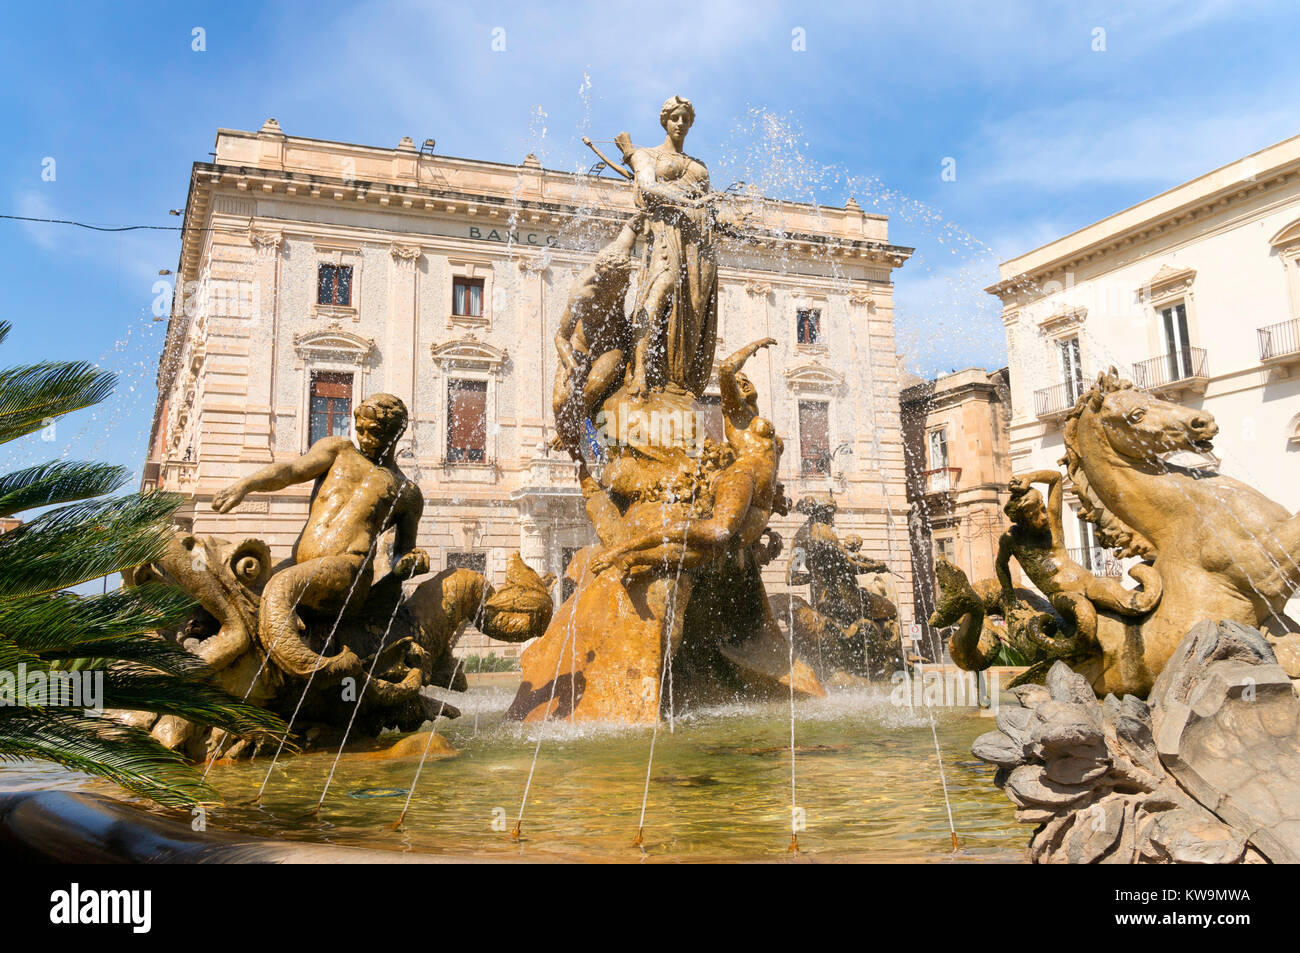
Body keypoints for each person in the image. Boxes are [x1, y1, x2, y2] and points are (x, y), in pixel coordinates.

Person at [211, 393, 428, 679]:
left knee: (281, 587)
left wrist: (409, 563)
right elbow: (291, 471)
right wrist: (246, 485)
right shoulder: (338, 450)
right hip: (302, 566)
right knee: (227, 576)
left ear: (395, 434)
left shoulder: (406, 492)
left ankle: (309, 672)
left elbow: (403, 552)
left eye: (373, 433)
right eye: (359, 429)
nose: (363, 437)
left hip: (348, 574)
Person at [588, 339, 781, 575]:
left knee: (714, 550)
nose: (745, 384)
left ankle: (636, 558)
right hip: (743, 478)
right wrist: (754, 346)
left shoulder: (755, 417)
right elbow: (726, 368)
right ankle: (622, 549)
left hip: (762, 501)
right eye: (739, 384)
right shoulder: (737, 414)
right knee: (716, 531)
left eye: (746, 381)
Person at [996, 469, 1161, 644]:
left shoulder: (1053, 526)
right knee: (1084, 615)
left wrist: (1030, 477)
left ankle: (1147, 579)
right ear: (1022, 519)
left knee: (1132, 603)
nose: (1044, 517)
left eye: (1043, 509)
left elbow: (1056, 479)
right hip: (1061, 595)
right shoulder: (1011, 540)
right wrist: (1011, 599)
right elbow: (1001, 565)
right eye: (1035, 515)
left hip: (1089, 584)